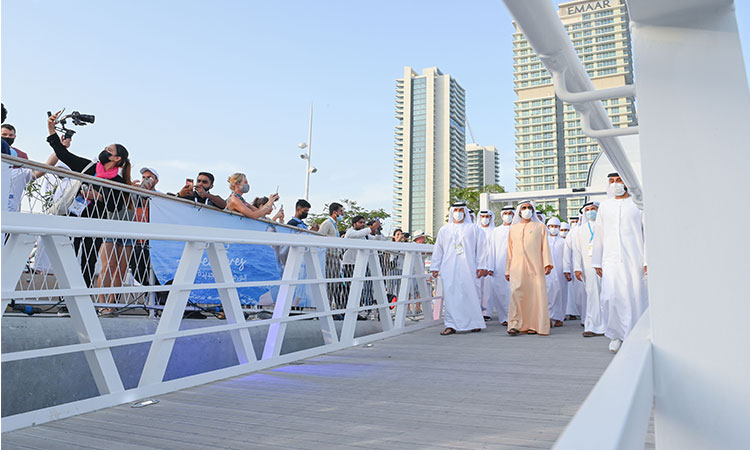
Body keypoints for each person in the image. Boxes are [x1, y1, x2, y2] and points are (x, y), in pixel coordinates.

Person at [46, 110, 132, 290]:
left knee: (87, 261)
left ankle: (81, 298)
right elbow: (64, 155)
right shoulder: (89, 167)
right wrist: (51, 129)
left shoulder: (118, 182)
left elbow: (116, 206)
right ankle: (65, 298)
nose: (104, 151)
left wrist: (98, 196)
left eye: (109, 150)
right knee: (68, 259)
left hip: (94, 225)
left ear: (116, 159)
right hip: (74, 217)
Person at [592, 173, 648, 353]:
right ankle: (616, 336)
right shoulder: (605, 206)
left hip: (634, 259)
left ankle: (635, 335)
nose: (615, 184)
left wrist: (646, 260)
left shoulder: (638, 204)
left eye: (619, 180)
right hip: (610, 260)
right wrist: (597, 261)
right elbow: (599, 235)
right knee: (611, 297)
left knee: (634, 297)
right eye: (612, 181)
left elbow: (647, 233)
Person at [430, 202, 488, 335]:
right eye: (456, 210)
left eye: (461, 210)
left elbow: (482, 249)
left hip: (469, 267)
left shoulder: (474, 228)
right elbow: (438, 249)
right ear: (452, 212)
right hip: (449, 268)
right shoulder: (444, 230)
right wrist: (435, 266)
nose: (458, 212)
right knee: (451, 296)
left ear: (465, 212)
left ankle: (475, 322)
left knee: (471, 294)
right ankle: (451, 325)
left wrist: (482, 266)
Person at [505, 200, 553, 336]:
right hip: (516, 268)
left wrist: (547, 263)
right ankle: (515, 324)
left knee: (535, 296)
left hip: (536, 267)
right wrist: (507, 269)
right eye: (524, 208)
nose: (527, 210)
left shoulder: (540, 226)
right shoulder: (513, 229)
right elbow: (509, 251)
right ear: (519, 211)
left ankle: (534, 325)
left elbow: (545, 247)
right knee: (516, 295)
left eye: (529, 208)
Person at [573, 201, 606, 338]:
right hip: (588, 268)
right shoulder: (580, 230)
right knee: (592, 296)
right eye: (588, 209)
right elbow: (577, 251)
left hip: (605, 266)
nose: (591, 211)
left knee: (607, 295)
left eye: (594, 209)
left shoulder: (605, 226)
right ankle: (592, 326)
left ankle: (608, 325)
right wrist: (577, 268)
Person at [340, 215, 378, 309]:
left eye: (363, 223)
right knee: (349, 289)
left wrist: (378, 230)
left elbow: (376, 239)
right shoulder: (350, 232)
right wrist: (372, 228)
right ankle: (344, 310)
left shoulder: (363, 235)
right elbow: (359, 234)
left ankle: (355, 310)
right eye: (360, 222)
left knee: (357, 289)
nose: (362, 224)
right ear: (354, 223)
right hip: (349, 264)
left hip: (359, 265)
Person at [488, 205, 515, 326]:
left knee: (515, 292)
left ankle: (515, 317)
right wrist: (490, 266)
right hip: (499, 265)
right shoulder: (496, 231)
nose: (508, 216)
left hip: (516, 265)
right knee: (501, 292)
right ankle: (504, 317)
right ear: (502, 215)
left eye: (510, 213)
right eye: (506, 213)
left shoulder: (517, 228)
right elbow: (491, 249)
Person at [546, 217, 566, 327]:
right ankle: (547, 317)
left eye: (556, 227)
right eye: (551, 226)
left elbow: (567, 257)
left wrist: (567, 270)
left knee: (561, 294)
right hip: (547, 272)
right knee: (548, 294)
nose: (553, 229)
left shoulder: (563, 241)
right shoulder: (544, 240)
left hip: (560, 271)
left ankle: (559, 317)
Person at [476, 210, 496, 320]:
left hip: (489, 264)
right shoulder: (475, 230)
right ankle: (477, 311)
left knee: (488, 289)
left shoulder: (494, 231)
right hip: (477, 265)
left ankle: (486, 312)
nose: (485, 218)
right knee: (477, 288)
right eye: (483, 216)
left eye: (487, 216)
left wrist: (491, 266)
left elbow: (494, 250)